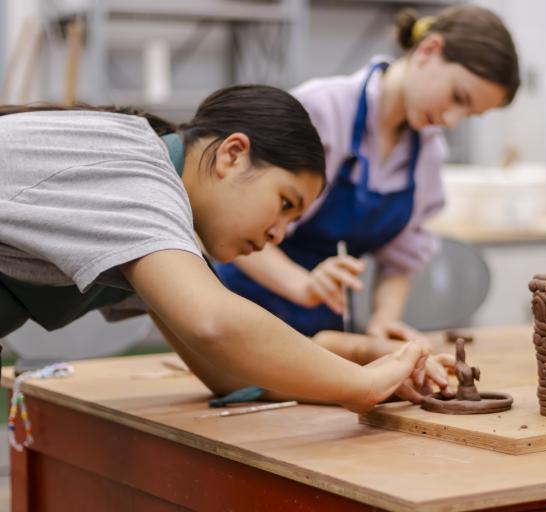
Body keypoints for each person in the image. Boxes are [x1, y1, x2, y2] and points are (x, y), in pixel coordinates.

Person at [0, 85, 443, 413]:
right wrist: (359, 386)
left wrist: (360, 357)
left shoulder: (158, 228)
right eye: (285, 203)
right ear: (232, 155)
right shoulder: (139, 173)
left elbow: (229, 374)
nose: (280, 235)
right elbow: (216, 324)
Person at [214, 5, 520, 341]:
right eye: (457, 97)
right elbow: (232, 222)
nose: (451, 120)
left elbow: (399, 260)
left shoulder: (429, 155)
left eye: (468, 114)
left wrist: (383, 322)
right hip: (239, 309)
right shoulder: (321, 110)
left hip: (321, 329)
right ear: (429, 50)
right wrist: (302, 285)